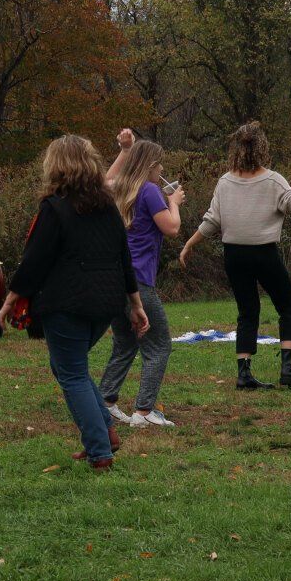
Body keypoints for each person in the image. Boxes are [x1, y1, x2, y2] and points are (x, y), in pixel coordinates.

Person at [0, 135, 150, 470]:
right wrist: (135, 303)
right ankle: (105, 432)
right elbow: (124, 259)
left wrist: (11, 298)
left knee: (72, 373)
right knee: (69, 367)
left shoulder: (54, 208)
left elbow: (35, 259)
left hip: (67, 303)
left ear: (54, 166)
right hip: (106, 303)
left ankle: (99, 450)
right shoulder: (108, 206)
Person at [178, 121, 291, 390]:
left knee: (247, 311)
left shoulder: (225, 182)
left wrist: (189, 244)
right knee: (287, 307)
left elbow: (211, 221)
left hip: (234, 256)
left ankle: (244, 373)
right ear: (262, 148)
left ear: (235, 148)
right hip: (264, 254)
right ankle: (287, 369)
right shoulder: (273, 180)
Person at [99, 136, 184, 426]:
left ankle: (105, 403)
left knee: (125, 342)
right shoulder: (149, 190)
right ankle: (145, 412)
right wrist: (174, 203)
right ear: (150, 165)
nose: (162, 170)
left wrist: (124, 151)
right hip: (138, 281)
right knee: (158, 345)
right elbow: (171, 228)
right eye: (159, 164)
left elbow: (104, 180)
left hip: (113, 279)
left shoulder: (120, 188)